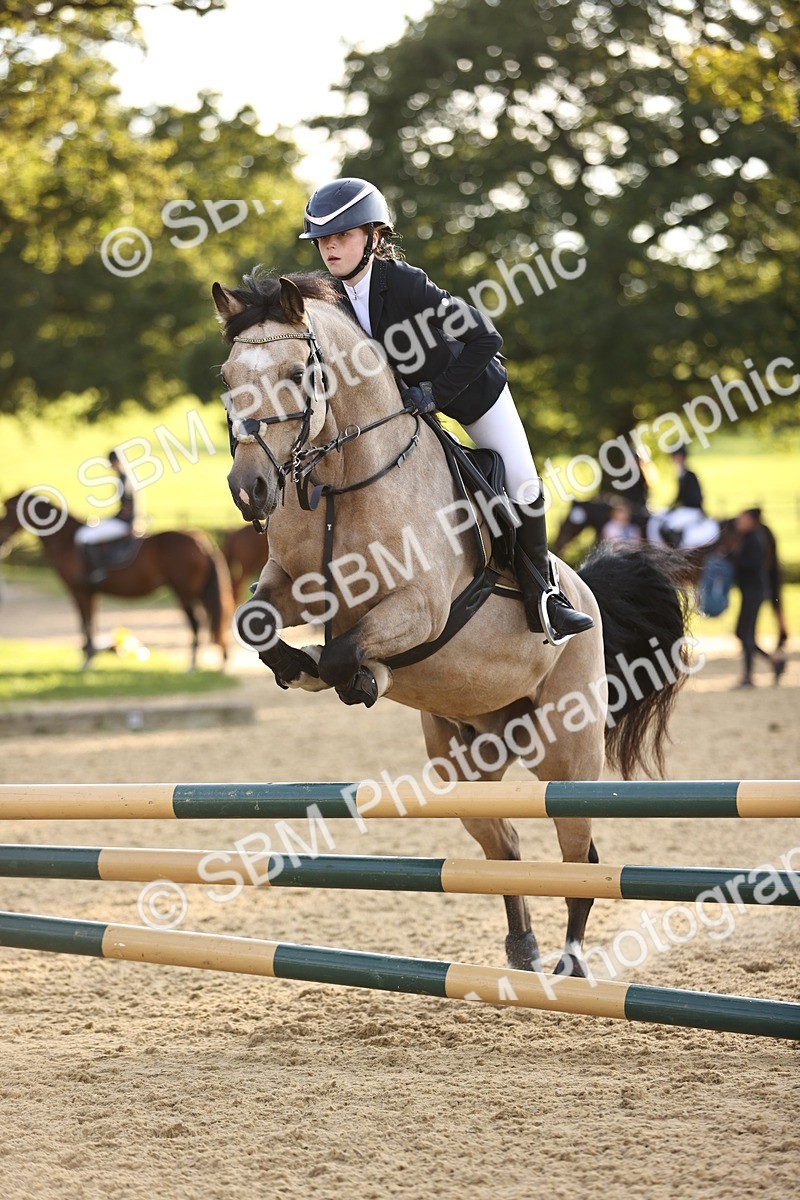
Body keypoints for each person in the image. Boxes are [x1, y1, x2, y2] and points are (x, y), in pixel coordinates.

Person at [298, 177, 593, 644]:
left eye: (343, 237)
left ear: (374, 237)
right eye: (324, 241)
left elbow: (486, 339)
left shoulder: (408, 284)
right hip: (406, 410)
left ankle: (547, 598)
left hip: (472, 394)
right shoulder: (331, 300)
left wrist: (435, 393)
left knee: (522, 483)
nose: (330, 249)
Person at [727, 508, 786, 687]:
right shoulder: (749, 538)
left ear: (752, 521)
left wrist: (730, 559)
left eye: (742, 519)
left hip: (754, 593)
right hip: (750, 592)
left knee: (747, 634)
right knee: (742, 633)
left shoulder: (755, 539)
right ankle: (774, 661)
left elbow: (749, 565)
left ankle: (748, 677)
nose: (739, 522)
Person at [74, 450, 138, 584]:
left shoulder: (124, 480)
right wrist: (104, 519)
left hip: (125, 523)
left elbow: (129, 507)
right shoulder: (127, 477)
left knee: (84, 536)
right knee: (92, 529)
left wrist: (132, 523)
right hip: (125, 520)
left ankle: (98, 571)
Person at [646, 445, 716, 549]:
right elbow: (679, 496)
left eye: (675, 456)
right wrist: (671, 506)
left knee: (671, 525)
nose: (673, 459)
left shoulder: (689, 475)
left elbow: (693, 497)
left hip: (691, 509)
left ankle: (678, 549)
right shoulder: (680, 473)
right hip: (685, 508)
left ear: (681, 457)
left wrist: (678, 506)